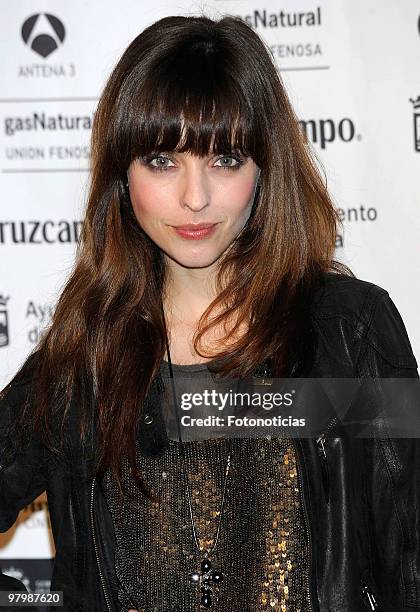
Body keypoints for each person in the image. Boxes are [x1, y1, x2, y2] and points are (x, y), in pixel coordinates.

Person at [0, 13, 419, 612]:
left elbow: (409, 558)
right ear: (122, 174)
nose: (194, 198)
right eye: (163, 161)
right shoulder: (85, 359)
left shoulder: (349, 334)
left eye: (224, 160)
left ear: (264, 169)